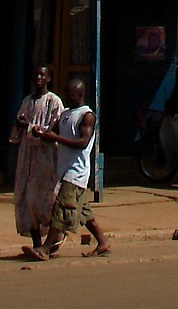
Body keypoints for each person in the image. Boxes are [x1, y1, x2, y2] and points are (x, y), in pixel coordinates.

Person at [29, 76, 109, 259]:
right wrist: (41, 132)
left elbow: (82, 142)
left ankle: (46, 248)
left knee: (61, 207)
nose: (66, 96)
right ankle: (103, 241)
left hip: (76, 171)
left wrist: (55, 139)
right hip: (63, 168)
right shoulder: (65, 114)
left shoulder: (86, 116)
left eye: (70, 94)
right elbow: (53, 131)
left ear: (80, 94)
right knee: (83, 210)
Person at [9, 64, 63, 253]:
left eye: (42, 75)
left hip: (46, 157)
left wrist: (29, 126)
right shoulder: (27, 101)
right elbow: (18, 123)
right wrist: (22, 126)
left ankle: (55, 237)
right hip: (27, 156)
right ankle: (36, 243)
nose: (38, 78)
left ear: (49, 78)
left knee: (47, 198)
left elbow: (53, 129)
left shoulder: (54, 102)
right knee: (27, 197)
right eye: (35, 74)